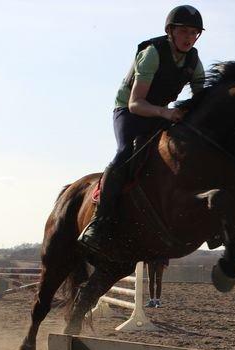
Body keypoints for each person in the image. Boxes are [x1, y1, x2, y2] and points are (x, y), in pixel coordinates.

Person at [79, 5, 206, 256]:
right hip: (129, 111)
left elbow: (203, 99)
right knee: (126, 152)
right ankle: (99, 222)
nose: (189, 38)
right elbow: (136, 104)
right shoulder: (152, 53)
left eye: (194, 33)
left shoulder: (193, 60)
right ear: (170, 31)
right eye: (183, 31)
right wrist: (166, 112)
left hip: (160, 112)